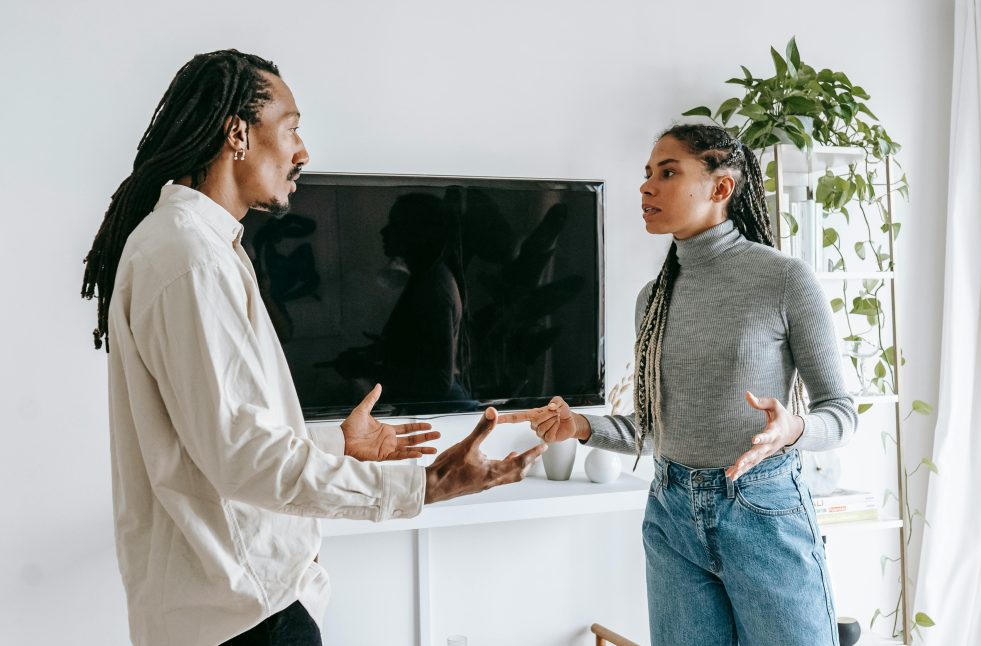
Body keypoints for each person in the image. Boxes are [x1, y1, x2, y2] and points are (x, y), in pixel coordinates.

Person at [80, 49, 545, 646]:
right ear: (238, 135)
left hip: (237, 604)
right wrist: (421, 485)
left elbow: (219, 435)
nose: (304, 152)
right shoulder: (189, 258)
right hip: (244, 613)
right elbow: (241, 455)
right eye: (293, 128)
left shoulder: (197, 247)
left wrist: (334, 443)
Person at [508, 124, 857, 645]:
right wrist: (580, 426)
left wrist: (794, 429)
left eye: (668, 173)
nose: (647, 187)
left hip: (763, 513)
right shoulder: (653, 299)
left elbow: (840, 414)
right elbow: (653, 431)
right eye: (647, 175)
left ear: (721, 188)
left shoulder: (785, 280)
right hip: (671, 516)